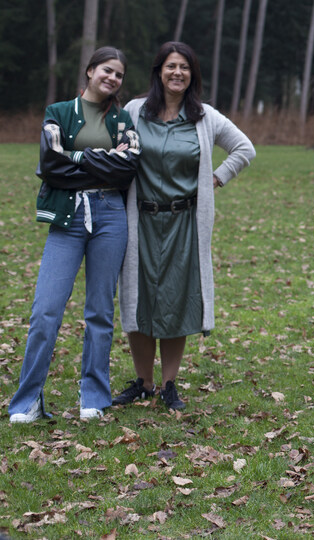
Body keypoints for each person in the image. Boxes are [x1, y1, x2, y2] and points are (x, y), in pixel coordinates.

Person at [112, 41, 255, 411]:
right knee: (138, 297)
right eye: (171, 66)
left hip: (184, 223)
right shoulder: (134, 111)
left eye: (185, 67)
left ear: (193, 75)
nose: (178, 73)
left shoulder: (205, 116)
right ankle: (143, 382)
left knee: (176, 300)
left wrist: (217, 178)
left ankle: (168, 384)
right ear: (159, 71)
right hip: (139, 219)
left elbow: (244, 148)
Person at [9, 46, 140, 422]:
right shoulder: (59, 113)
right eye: (106, 70)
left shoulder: (121, 119)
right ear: (90, 71)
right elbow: (51, 165)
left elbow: (128, 167)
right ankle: (27, 401)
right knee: (45, 310)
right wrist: (100, 159)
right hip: (68, 217)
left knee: (100, 310)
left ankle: (93, 397)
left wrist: (77, 156)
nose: (112, 78)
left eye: (118, 74)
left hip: (111, 217)